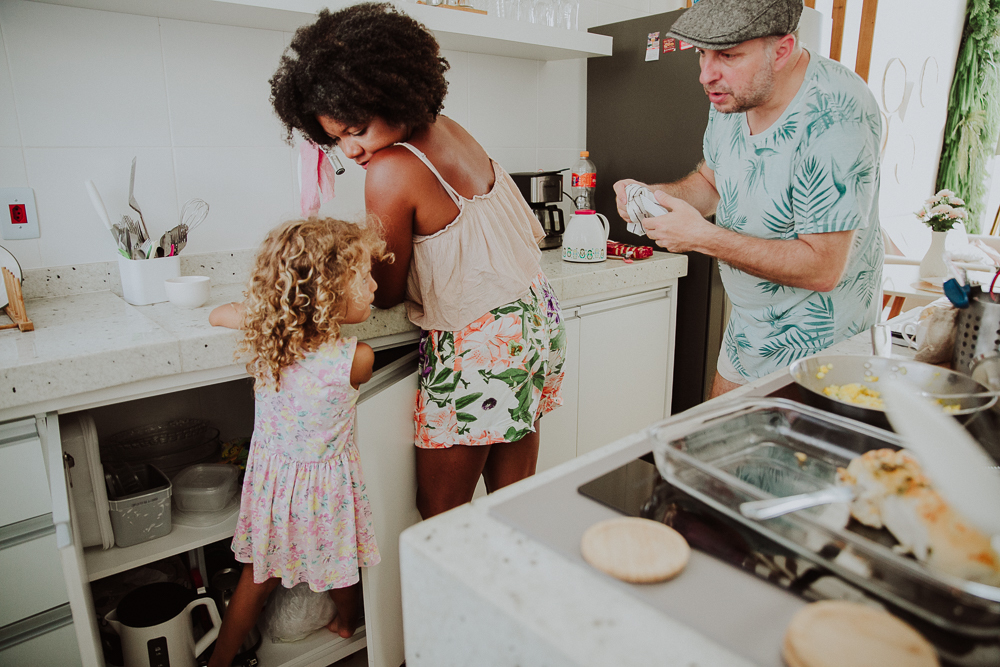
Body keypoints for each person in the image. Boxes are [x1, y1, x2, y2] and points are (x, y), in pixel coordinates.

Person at [269, 2, 567, 520]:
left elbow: (382, 291)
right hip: (530, 318)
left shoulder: (391, 169)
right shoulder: (447, 128)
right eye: (337, 139)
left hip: (480, 345)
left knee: (441, 517)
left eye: (356, 129)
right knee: (514, 506)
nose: (353, 150)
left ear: (390, 93)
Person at [613, 0, 884, 397]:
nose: (707, 75)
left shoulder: (837, 114)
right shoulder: (733, 96)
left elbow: (823, 269)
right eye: (702, 55)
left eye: (728, 55)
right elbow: (713, 182)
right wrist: (656, 195)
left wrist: (702, 238)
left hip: (821, 342)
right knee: (717, 445)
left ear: (782, 50)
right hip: (749, 326)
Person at [205, 218, 390, 666]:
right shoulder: (356, 358)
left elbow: (217, 314)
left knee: (258, 574)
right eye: (361, 276)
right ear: (326, 292)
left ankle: (219, 659)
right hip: (326, 491)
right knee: (341, 564)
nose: (373, 285)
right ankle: (347, 623)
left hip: (274, 485)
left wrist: (265, 308)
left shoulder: (269, 339)